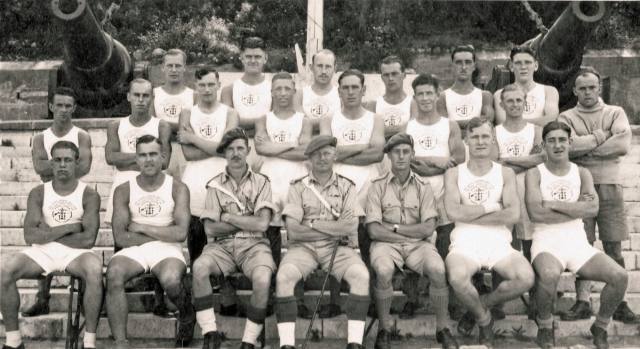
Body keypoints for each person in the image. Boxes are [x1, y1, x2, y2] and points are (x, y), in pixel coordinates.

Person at [526, 121, 629, 349]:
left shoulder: (582, 173)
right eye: (551, 140)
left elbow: (592, 209)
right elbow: (535, 213)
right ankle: (544, 326)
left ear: (570, 143)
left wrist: (552, 204)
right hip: (546, 241)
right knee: (549, 274)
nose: (557, 145)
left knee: (620, 276)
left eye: (562, 140)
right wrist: (575, 208)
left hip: (577, 242)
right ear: (544, 145)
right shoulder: (535, 174)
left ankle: (600, 327)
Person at [558, 68, 640, 324]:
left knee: (614, 245)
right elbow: (567, 150)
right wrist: (600, 139)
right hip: (579, 188)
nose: (588, 92)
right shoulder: (566, 116)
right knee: (583, 246)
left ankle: (619, 302)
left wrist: (587, 148)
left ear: (599, 88)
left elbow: (622, 145)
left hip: (609, 186)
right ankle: (583, 302)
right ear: (574, 91)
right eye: (582, 88)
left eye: (592, 87)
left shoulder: (615, 112)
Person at [1, 141, 102, 349]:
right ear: (51, 164)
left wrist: (48, 233)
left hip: (76, 252)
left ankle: (89, 342)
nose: (62, 164)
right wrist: (69, 227)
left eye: (67, 160)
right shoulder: (39, 193)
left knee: (94, 269)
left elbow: (88, 239)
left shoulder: (89, 194)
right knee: (4, 268)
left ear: (76, 163)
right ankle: (13, 341)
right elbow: (30, 235)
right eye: (57, 160)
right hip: (42, 252)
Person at [443, 117, 534, 347]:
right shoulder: (454, 173)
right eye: (474, 137)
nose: (480, 141)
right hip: (464, 241)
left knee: (526, 277)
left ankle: (481, 304)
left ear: (493, 138)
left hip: (498, 242)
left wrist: (471, 213)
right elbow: (454, 213)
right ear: (466, 140)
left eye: (485, 136)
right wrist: (491, 207)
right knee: (457, 278)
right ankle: (484, 321)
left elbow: (512, 215)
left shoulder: (505, 174)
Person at [275, 135, 370, 349]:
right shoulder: (298, 187)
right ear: (308, 158)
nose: (322, 158)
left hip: (338, 249)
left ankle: (355, 343)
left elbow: (350, 227)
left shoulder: (347, 186)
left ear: (335, 156)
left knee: (361, 276)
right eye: (316, 154)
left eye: (327, 153)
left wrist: (311, 224)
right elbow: (293, 231)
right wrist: (330, 230)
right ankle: (287, 344)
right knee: (283, 278)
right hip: (303, 249)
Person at [366, 133, 459, 349]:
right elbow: (373, 230)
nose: (401, 156)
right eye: (396, 152)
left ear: (412, 155)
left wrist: (395, 228)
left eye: (405, 152)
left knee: (437, 269)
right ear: (388, 156)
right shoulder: (376, 186)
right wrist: (408, 233)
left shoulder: (423, 186)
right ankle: (384, 329)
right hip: (386, 246)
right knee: (383, 270)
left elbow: (428, 227)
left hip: (419, 246)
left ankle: (442, 328)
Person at [106, 135, 195, 349]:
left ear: (163, 157)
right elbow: (120, 237)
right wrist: (163, 232)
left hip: (167, 249)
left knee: (172, 280)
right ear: (136, 160)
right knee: (114, 274)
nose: (148, 160)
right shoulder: (123, 190)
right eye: (143, 155)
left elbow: (181, 233)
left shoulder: (178, 188)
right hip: (134, 248)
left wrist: (144, 227)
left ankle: (187, 314)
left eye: (153, 154)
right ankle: (121, 342)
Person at [191, 128, 277, 349]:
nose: (236, 153)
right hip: (222, 248)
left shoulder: (262, 182)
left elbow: (262, 224)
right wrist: (246, 219)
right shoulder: (214, 185)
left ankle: (249, 340)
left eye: (240, 148)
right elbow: (210, 229)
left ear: (248, 151)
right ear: (224, 154)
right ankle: (210, 333)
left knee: (262, 279)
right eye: (230, 149)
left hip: (255, 245)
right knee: (199, 267)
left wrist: (227, 216)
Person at [23, 87, 93, 318]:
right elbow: (38, 167)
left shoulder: (81, 135)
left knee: (76, 238)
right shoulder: (41, 137)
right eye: (59, 105)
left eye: (68, 106)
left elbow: (84, 167)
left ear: (74, 108)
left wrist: (52, 168)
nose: (63, 110)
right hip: (48, 194)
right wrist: (64, 169)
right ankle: (43, 297)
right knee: (42, 241)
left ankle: (85, 297)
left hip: (76, 195)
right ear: (51, 107)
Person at [406, 74, 466, 319]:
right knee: (412, 246)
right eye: (420, 94)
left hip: (443, 194)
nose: (425, 98)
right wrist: (437, 161)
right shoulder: (408, 126)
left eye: (429, 93)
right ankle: (412, 299)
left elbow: (459, 158)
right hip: (414, 194)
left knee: (445, 247)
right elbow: (407, 162)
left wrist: (430, 164)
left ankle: (449, 299)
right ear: (415, 97)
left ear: (437, 94)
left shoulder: (449, 125)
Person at [178, 67, 239, 270]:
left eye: (211, 84)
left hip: (224, 185)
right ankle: (199, 294)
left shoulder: (230, 113)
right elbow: (188, 154)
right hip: (194, 185)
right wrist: (217, 146)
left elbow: (227, 149)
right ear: (195, 86)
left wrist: (193, 138)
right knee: (197, 244)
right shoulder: (187, 113)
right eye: (202, 85)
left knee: (226, 244)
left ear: (219, 85)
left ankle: (226, 297)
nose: (207, 89)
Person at [255, 72, 312, 263]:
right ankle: (272, 274)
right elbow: (261, 148)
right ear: (271, 92)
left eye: (287, 88)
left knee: (296, 228)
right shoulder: (263, 119)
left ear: (294, 91)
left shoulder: (304, 120)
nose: (283, 93)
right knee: (270, 230)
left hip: (297, 178)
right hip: (269, 178)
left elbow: (305, 152)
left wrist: (273, 149)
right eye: (278, 88)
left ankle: (294, 278)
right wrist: (293, 145)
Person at [105, 78, 172, 224]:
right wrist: (149, 159)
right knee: (121, 237)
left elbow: (165, 162)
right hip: (123, 185)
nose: (140, 100)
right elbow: (110, 157)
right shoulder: (116, 125)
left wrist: (124, 161)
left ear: (152, 97)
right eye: (136, 95)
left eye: (145, 95)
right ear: (129, 96)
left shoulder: (161, 126)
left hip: (152, 187)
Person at [221, 36, 272, 171]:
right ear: (241, 57)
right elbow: (229, 125)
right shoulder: (229, 90)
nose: (253, 60)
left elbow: (274, 121)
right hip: (238, 150)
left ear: (265, 58)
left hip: (267, 149)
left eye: (257, 56)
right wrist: (261, 122)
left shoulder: (273, 88)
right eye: (249, 56)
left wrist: (241, 121)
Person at [151, 48, 195, 179]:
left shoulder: (193, 95)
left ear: (184, 68)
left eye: (178, 66)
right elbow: (151, 125)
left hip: (186, 152)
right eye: (170, 66)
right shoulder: (153, 93)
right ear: (163, 68)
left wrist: (163, 124)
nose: (174, 70)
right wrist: (181, 126)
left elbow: (194, 129)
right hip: (160, 151)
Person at [493, 46, 559, 126]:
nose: (523, 67)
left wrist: (516, 122)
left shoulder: (549, 91)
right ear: (511, 66)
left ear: (536, 66)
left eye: (528, 62)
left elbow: (551, 120)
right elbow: (503, 123)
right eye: (518, 63)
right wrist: (540, 121)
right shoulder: (499, 94)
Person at [437, 45, 494, 131]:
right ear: (452, 66)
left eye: (468, 62)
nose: (463, 67)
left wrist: (455, 123)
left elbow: (487, 121)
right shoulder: (442, 97)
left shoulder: (485, 96)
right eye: (459, 62)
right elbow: (444, 125)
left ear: (474, 66)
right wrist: (475, 122)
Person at [363, 55, 414, 139]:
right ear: (382, 77)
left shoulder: (413, 103)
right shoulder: (373, 105)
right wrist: (402, 128)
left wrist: (379, 129)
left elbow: (413, 131)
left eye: (394, 74)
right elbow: (368, 133)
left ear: (404, 75)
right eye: (386, 75)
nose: (390, 78)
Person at [294, 49, 341, 133]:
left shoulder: (341, 94)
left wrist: (310, 122)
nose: (323, 71)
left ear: (335, 68)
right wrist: (328, 122)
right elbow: (300, 123)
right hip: (305, 143)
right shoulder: (300, 95)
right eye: (319, 66)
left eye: (328, 66)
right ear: (311, 67)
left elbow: (342, 123)